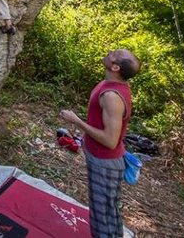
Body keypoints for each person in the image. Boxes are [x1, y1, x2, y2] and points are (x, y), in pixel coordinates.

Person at [60, 49, 141, 238]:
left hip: (105, 161)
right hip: (103, 158)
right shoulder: (110, 84)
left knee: (101, 217)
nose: (110, 51)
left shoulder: (112, 96)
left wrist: (77, 121)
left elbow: (110, 140)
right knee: (108, 210)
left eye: (115, 54)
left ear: (115, 67)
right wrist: (82, 134)